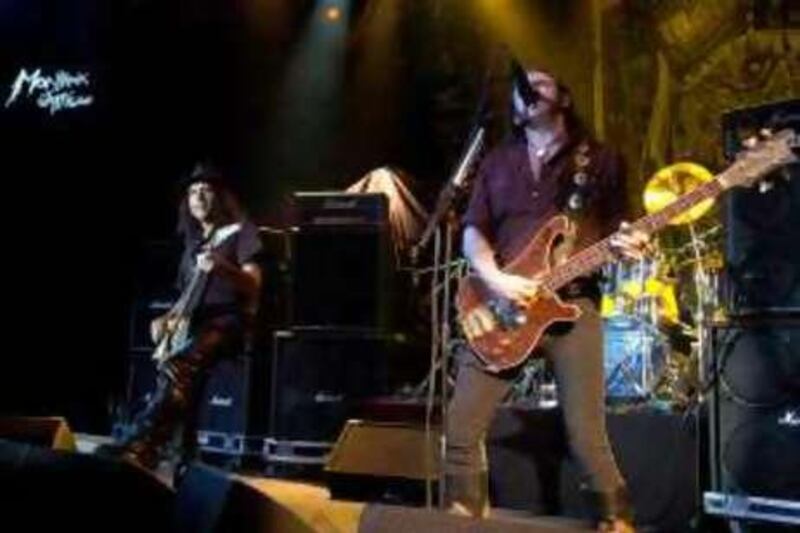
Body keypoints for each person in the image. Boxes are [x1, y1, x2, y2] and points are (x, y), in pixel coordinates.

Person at [443, 66, 649, 533]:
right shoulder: (497, 161)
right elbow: (474, 231)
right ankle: (462, 521)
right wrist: (494, 278)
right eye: (521, 88)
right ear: (513, 111)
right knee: (461, 424)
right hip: (500, 309)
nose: (527, 91)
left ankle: (616, 521)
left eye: (540, 84)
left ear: (564, 98)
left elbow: (622, 224)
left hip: (572, 306)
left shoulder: (599, 161)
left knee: (586, 434)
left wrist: (631, 241)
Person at [100, 163, 263, 478]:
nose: (198, 195)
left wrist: (221, 266)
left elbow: (253, 283)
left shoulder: (241, 231)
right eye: (192, 191)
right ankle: (183, 458)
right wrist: (166, 318)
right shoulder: (191, 245)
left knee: (180, 367)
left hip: (227, 320)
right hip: (195, 322)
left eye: (206, 189)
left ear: (221, 196)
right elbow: (187, 295)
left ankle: (139, 445)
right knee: (179, 380)